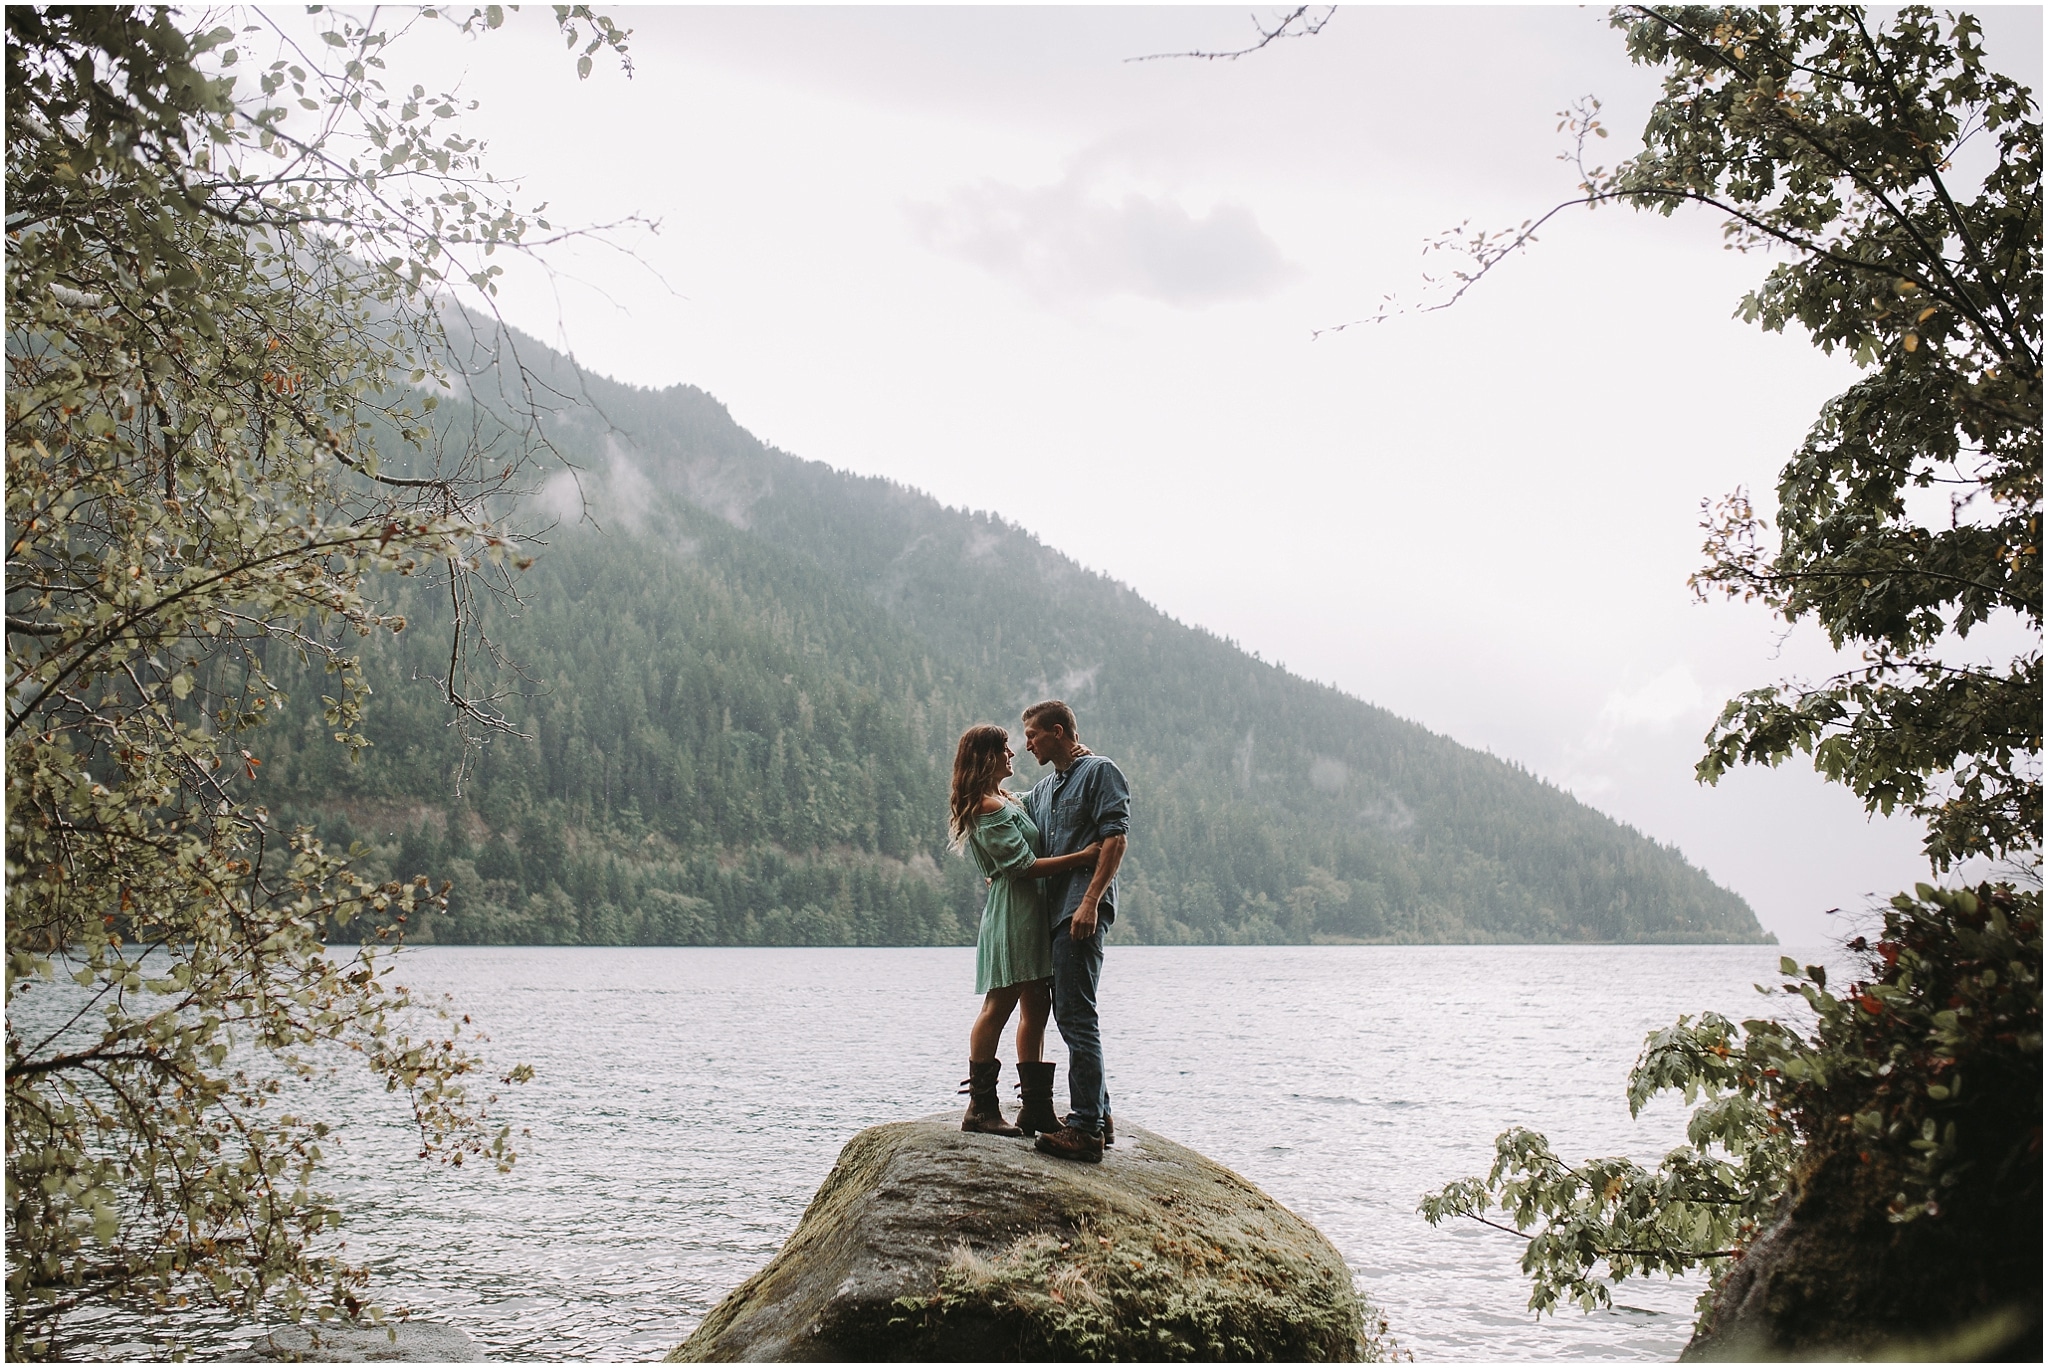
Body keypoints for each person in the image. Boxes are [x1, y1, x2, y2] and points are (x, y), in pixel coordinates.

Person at [948, 724, 1101, 1137]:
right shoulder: (986, 807)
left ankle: (1034, 1108)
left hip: (1031, 911)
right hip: (1013, 913)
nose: (1013, 754)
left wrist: (1075, 760)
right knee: (999, 1005)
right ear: (987, 758)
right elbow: (1021, 866)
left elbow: (1047, 795)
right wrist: (1081, 857)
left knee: (1037, 1005)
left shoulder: (1009, 800)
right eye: (1004, 750)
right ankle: (981, 1108)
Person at [1020, 700, 1128, 1163]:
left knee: (1075, 1015)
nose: (1027, 744)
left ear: (1059, 732)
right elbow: (1012, 817)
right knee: (1072, 1013)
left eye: (1033, 736)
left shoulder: (1100, 772)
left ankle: (1084, 1129)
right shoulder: (1044, 789)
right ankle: (1099, 1118)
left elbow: (1115, 838)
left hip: (1079, 911)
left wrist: (1090, 901)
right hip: (1052, 914)